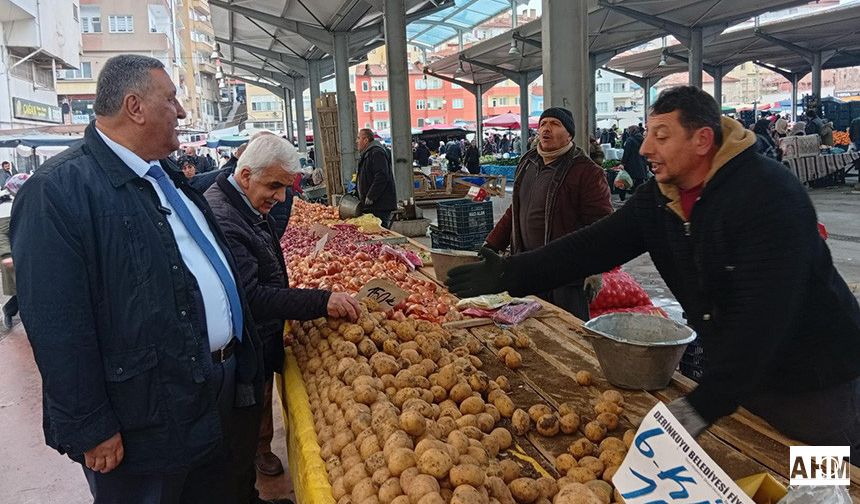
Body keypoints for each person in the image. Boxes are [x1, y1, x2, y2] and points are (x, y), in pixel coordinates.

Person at [446, 86, 860, 461]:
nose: (645, 148)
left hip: (816, 383)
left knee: (823, 481)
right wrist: (511, 273)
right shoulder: (661, 199)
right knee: (755, 466)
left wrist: (706, 403)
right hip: (743, 380)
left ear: (702, 140)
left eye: (661, 136)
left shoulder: (768, 195)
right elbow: (593, 245)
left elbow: (765, 317)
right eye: (647, 133)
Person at [10, 54, 266, 504]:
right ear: (135, 106)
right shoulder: (57, 191)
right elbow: (56, 324)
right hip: (144, 414)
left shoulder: (162, 174)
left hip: (209, 388)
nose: (182, 112)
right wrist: (91, 426)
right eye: (171, 99)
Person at [204, 134, 359, 495]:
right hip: (243, 342)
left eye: (286, 187)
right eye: (274, 186)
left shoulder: (243, 204)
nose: (280, 197)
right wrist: (321, 301)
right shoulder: (225, 217)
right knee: (237, 440)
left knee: (247, 424)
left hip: (255, 338)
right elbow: (252, 297)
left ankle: (250, 484)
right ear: (245, 175)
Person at [483, 107, 612, 320]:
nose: (546, 129)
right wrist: (491, 245)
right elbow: (515, 210)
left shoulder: (586, 171)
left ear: (569, 134)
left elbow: (602, 223)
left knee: (570, 333)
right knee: (532, 329)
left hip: (566, 275)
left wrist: (595, 268)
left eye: (555, 124)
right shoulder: (528, 163)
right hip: (527, 268)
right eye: (543, 124)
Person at [0, 173, 28, 329]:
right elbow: (1, 234)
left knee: (26, 288)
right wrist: (6, 255)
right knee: (25, 289)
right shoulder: (6, 206)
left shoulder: (19, 200)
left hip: (23, 251)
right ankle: (11, 312)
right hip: (13, 255)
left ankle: (10, 311)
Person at [356, 128, 396, 228]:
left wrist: (371, 196)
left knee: (380, 231)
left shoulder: (376, 153)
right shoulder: (368, 153)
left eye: (358, 138)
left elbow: (382, 176)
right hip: (374, 205)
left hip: (380, 205)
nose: (357, 141)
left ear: (366, 140)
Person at [619, 125, 648, 201]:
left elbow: (626, 153)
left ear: (631, 131)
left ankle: (622, 198)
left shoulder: (630, 140)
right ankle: (639, 198)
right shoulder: (643, 139)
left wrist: (622, 163)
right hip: (641, 164)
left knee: (624, 180)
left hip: (631, 164)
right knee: (639, 181)